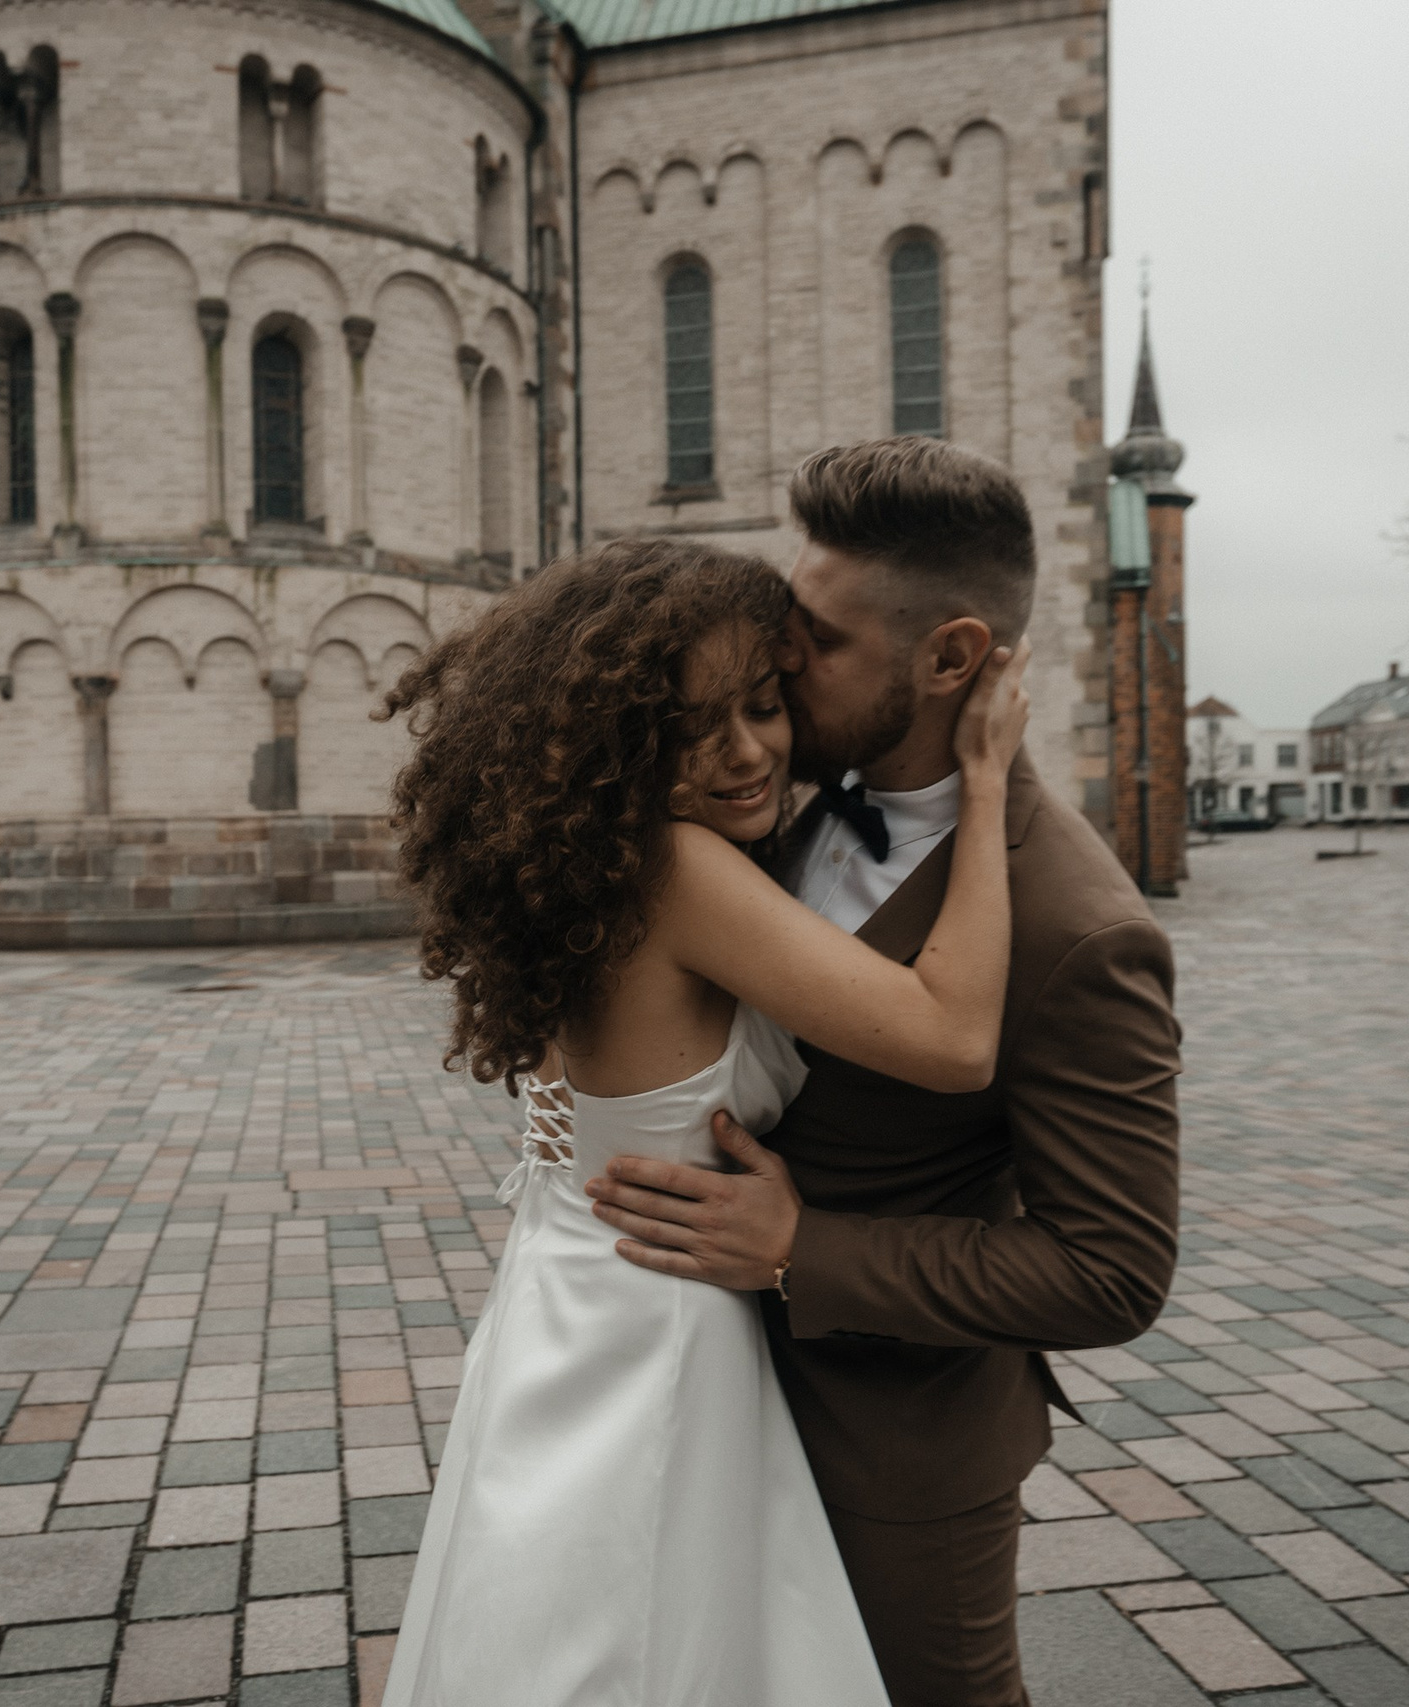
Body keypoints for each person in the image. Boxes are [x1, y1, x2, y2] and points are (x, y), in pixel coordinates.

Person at [375, 535, 1030, 1707]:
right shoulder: (674, 867)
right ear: (614, 744)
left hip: (564, 1296)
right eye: (687, 728)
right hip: (654, 1327)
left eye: (763, 706)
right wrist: (983, 787)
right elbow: (952, 1038)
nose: (742, 753)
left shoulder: (568, 868)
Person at [583, 437, 1185, 1707]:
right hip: (705, 1401)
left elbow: (1112, 1271)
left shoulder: (1081, 928)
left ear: (951, 658)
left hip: (897, 1452)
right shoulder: (782, 801)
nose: (779, 658)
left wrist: (805, 1251)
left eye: (817, 636)